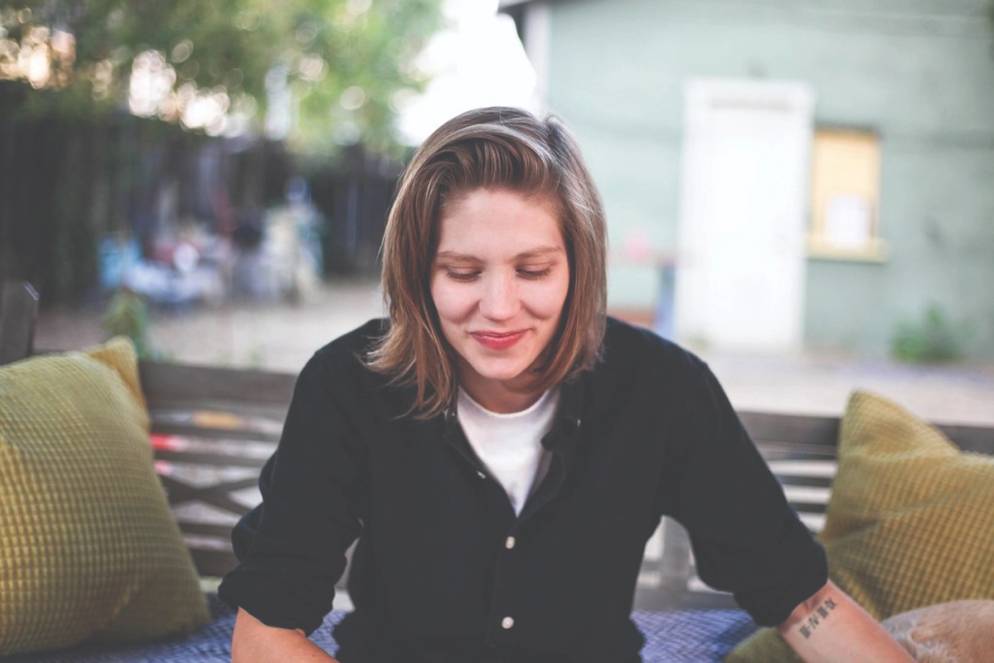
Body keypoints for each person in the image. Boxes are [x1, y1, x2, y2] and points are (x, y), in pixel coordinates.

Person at [218, 107, 912, 662]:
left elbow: (800, 600)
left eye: (533, 270)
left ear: (578, 267)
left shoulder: (662, 390)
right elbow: (265, 633)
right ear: (418, 274)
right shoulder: (348, 386)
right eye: (462, 272)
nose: (498, 307)